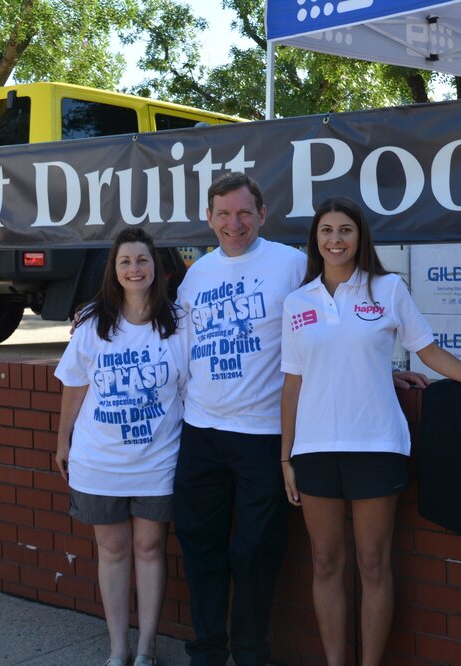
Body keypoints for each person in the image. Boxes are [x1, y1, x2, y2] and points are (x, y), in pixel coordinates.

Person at [279, 196, 461, 666]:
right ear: (315, 239)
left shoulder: (388, 288)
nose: (335, 240)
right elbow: (294, 383)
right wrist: (286, 457)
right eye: (326, 231)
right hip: (315, 451)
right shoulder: (298, 301)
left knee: (374, 565)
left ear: (360, 238)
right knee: (325, 564)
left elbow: (430, 352)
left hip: (378, 446)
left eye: (345, 231)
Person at [172, 172, 306, 666]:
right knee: (200, 546)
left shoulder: (292, 265)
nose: (235, 223)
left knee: (255, 552)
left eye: (244, 212)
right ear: (209, 219)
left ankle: (251, 652)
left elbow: (324, 327)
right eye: (224, 214)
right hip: (201, 432)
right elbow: (181, 351)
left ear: (263, 214)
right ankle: (207, 651)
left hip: (263, 435)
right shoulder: (196, 275)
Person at [54, 228, 189, 666]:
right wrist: (63, 441)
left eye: (142, 260)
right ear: (114, 270)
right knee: (111, 551)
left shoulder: (179, 322)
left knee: (150, 549)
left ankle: (147, 648)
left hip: (158, 461)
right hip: (100, 461)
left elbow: (190, 390)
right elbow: (74, 386)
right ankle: (119, 649)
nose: (135, 269)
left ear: (158, 268)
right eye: (125, 261)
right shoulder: (93, 323)